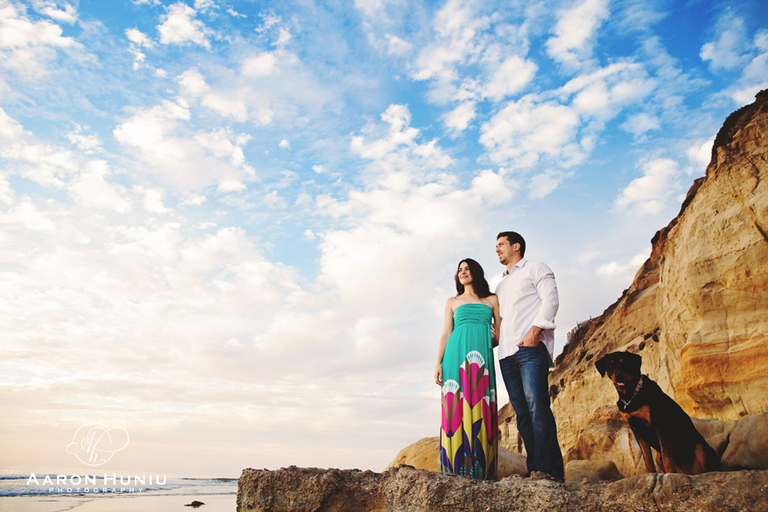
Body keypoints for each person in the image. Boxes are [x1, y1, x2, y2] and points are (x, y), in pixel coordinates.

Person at [494, 231, 564, 481]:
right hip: (506, 356)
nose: (497, 249)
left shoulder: (535, 268)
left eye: (501, 244)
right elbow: (500, 324)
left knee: (537, 406)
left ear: (517, 246)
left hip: (530, 350)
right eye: (496, 246)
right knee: (523, 414)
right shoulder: (500, 286)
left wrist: (536, 331)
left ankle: (551, 471)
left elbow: (551, 299)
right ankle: (536, 469)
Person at [435, 258, 501, 480]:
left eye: (467, 268)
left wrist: (484, 338)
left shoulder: (492, 300)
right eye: (459, 270)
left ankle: (483, 470)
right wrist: (438, 363)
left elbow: (499, 335)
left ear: (476, 272)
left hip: (481, 358)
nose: (463, 272)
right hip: (454, 357)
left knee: (482, 404)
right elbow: (446, 333)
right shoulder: (452, 301)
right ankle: (453, 469)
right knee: (455, 408)